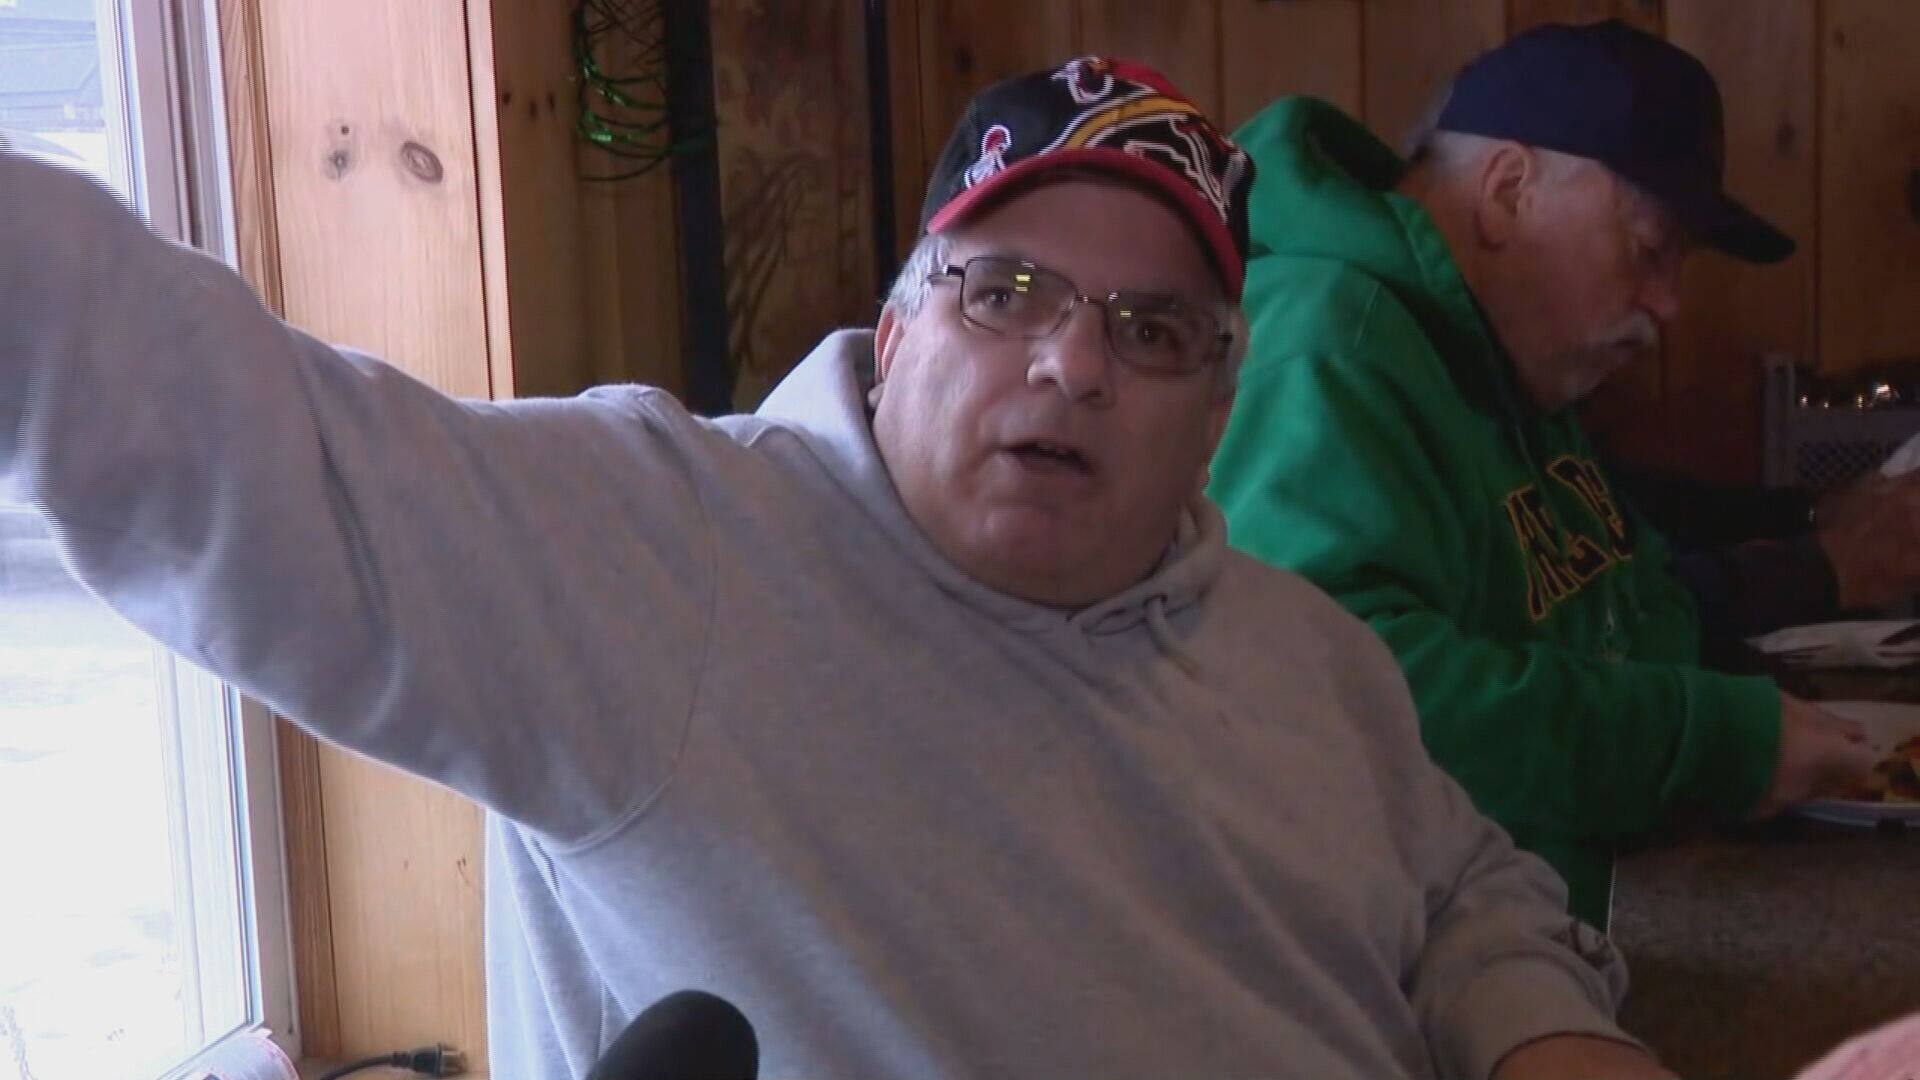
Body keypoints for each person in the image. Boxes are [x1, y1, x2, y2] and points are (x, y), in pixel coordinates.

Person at [1, 57, 1678, 1080]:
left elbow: (1465, 889)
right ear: (897, 327)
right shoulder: (666, 556)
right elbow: (219, 439)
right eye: (1006, 294)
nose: (1073, 366)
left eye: (1153, 331)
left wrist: (1545, 1031)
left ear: (1219, 406)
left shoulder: (1312, 657)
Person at [1207, 20, 1900, 931]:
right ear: (1508, 191)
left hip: (1540, 928)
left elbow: (1618, 606)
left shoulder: (1506, 357)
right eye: (1649, 249)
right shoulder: (1335, 342)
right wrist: (1708, 742)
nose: (1669, 305)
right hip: (1398, 971)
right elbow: (1346, 691)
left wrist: (1748, 705)